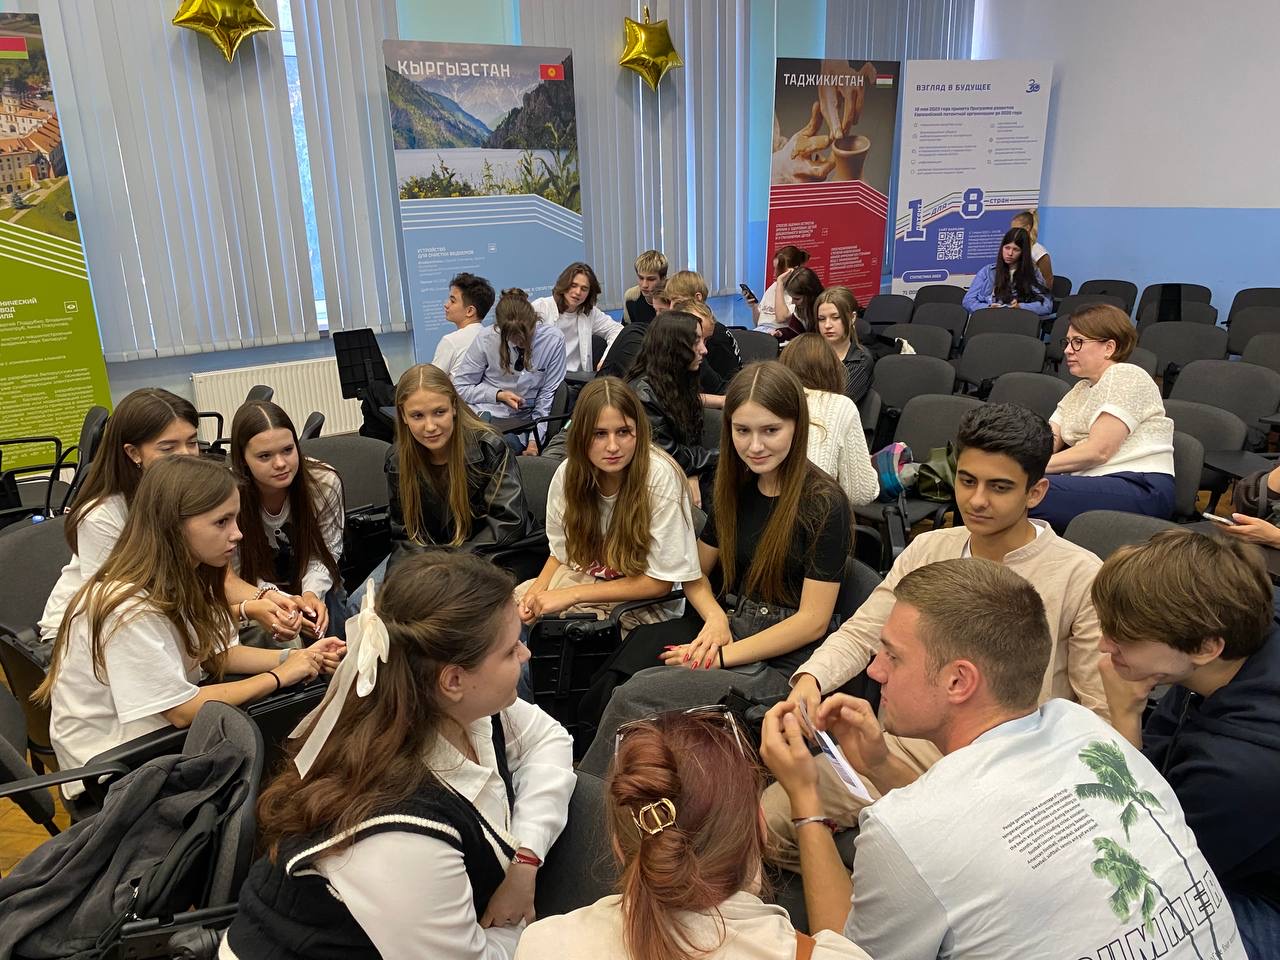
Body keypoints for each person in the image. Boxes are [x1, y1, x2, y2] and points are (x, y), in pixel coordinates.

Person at [761, 558, 1247, 960]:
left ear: (958, 681)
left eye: (892, 656)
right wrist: (880, 763)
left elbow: (843, 954)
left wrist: (807, 803)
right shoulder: (1091, 732)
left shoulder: (902, 831)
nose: (875, 671)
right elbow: (967, 831)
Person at [768, 403, 1110, 870]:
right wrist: (811, 680)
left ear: (1036, 492)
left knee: (916, 868)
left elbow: (1097, 714)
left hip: (1008, 774)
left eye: (999, 487)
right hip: (904, 744)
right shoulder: (931, 547)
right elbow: (865, 630)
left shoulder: (1079, 575)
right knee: (766, 822)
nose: (977, 500)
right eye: (967, 481)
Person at [223, 551, 574, 960]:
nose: (525, 655)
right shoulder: (398, 833)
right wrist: (547, 933)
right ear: (454, 679)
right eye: (511, 650)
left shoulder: (442, 705)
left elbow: (549, 739)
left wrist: (525, 859)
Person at [579, 362, 851, 777]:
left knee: (634, 697)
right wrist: (715, 619)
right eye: (742, 431)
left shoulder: (824, 503)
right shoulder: (737, 485)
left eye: (770, 430)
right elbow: (696, 571)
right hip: (732, 623)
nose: (755, 446)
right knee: (618, 673)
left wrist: (721, 656)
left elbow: (812, 622)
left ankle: (591, 795)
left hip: (782, 661)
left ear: (797, 427)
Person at [38, 456, 343, 792]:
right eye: (222, 522)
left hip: (155, 743)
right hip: (118, 773)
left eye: (235, 519)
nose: (237, 534)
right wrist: (279, 676)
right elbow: (182, 711)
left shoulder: (184, 576)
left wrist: (297, 659)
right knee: (295, 768)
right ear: (174, 526)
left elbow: (214, 655)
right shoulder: (127, 607)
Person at [516, 707, 871, 960]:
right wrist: (806, 803)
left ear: (619, 847)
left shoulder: (542, 945)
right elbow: (842, 945)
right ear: (761, 829)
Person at [1091, 532, 1280, 959]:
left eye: (1125, 637)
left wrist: (1125, 716)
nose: (1104, 644)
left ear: (1206, 647)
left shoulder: (1238, 771)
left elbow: (1148, 861)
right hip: (1233, 836)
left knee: (1115, 926)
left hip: (1262, 894)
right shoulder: (1227, 647)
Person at [515, 377, 700, 634]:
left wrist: (573, 595)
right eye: (599, 434)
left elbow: (659, 584)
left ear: (639, 431)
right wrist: (536, 592)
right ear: (581, 435)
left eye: (623, 432)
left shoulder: (659, 477)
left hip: (643, 602)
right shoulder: (568, 475)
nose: (612, 447)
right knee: (505, 620)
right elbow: (561, 554)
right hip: (585, 579)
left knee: (561, 639)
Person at [38, 388, 201, 642]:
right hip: (84, 633)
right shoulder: (101, 515)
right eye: (168, 448)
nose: (186, 456)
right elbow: (118, 606)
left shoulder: (188, 492)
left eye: (192, 443)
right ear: (133, 453)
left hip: (159, 617)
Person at [384, 363, 540, 576]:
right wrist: (409, 576)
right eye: (417, 416)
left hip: (490, 555)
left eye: (439, 412)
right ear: (403, 416)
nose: (430, 426)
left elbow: (508, 522)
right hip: (431, 560)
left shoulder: (489, 447)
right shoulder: (397, 459)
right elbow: (404, 535)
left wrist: (447, 564)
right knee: (377, 593)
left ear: (454, 408)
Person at [1032, 303, 1175, 531]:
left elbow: (1099, 451)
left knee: (1018, 492)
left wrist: (1024, 468)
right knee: (1004, 486)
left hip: (1138, 485)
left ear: (1109, 347)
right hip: (1093, 482)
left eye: (1078, 342)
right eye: (1067, 342)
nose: (1068, 350)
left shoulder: (1127, 375)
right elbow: (1049, 439)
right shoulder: (1079, 389)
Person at [227, 400, 346, 642]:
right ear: (243, 459)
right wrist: (283, 601)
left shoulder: (323, 483)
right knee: (283, 641)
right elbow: (235, 572)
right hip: (255, 592)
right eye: (264, 456)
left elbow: (327, 551)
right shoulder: (227, 496)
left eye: (288, 450)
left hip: (313, 581)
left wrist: (311, 594)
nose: (281, 463)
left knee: (331, 619)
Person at [454, 288, 568, 456]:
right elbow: (460, 388)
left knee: (503, 447)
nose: (522, 343)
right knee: (481, 446)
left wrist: (534, 443)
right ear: (500, 330)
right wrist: (497, 395)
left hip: (522, 423)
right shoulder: (486, 339)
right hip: (485, 415)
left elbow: (547, 396)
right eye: (515, 339)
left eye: (527, 336)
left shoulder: (553, 340)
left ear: (535, 321)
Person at [626, 311, 717, 507]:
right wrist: (721, 455)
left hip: (678, 470)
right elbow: (668, 455)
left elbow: (689, 441)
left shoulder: (674, 379)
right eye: (696, 341)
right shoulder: (643, 394)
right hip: (652, 482)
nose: (704, 350)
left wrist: (693, 473)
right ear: (674, 347)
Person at [778, 333, 878, 505]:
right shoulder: (840, 405)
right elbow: (862, 494)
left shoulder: (768, 400)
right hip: (813, 512)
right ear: (833, 368)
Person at [533, 262, 621, 375]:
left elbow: (617, 331)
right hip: (546, 379)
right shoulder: (541, 308)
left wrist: (605, 360)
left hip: (578, 379)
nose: (578, 292)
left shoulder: (590, 313)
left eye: (584, 289)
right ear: (564, 284)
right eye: (573, 285)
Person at [961, 226, 1052, 316]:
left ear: (1023, 253)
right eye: (1007, 248)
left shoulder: (1033, 273)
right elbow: (968, 301)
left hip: (1018, 319)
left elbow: (1046, 306)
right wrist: (987, 308)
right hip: (990, 318)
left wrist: (1021, 307)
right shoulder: (987, 271)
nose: (1010, 253)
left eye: (1016, 249)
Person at [813, 287, 872, 403]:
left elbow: (837, 406)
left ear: (852, 318)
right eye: (821, 319)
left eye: (835, 318)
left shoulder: (861, 361)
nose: (827, 325)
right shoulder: (810, 353)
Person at [433, 272, 496, 377]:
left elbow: (431, 381)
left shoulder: (451, 341)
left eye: (452, 301)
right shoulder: (492, 339)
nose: (446, 305)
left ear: (470, 311)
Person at [681, 299, 742, 403]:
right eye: (696, 340)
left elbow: (720, 388)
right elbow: (670, 398)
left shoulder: (702, 358)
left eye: (706, 340)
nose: (704, 349)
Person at [755, 245, 809, 333]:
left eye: (779, 270)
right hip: (762, 332)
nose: (775, 274)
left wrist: (780, 283)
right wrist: (754, 306)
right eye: (775, 269)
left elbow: (781, 318)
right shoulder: (773, 287)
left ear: (794, 270)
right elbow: (758, 323)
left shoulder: (798, 292)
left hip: (782, 336)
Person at [1010, 209, 1054, 293]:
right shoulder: (1014, 248)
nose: (1013, 233)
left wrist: (1040, 297)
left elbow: (1048, 280)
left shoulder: (1038, 251)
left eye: (1016, 229)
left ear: (1027, 228)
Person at [777, 266, 824, 341]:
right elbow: (795, 331)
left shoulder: (825, 308)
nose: (792, 302)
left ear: (810, 295)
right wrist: (781, 333)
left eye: (797, 299)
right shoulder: (801, 309)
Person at [624, 249, 668, 326]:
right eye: (641, 278)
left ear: (663, 279)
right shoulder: (631, 297)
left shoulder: (673, 299)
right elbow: (627, 329)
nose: (644, 285)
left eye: (651, 279)